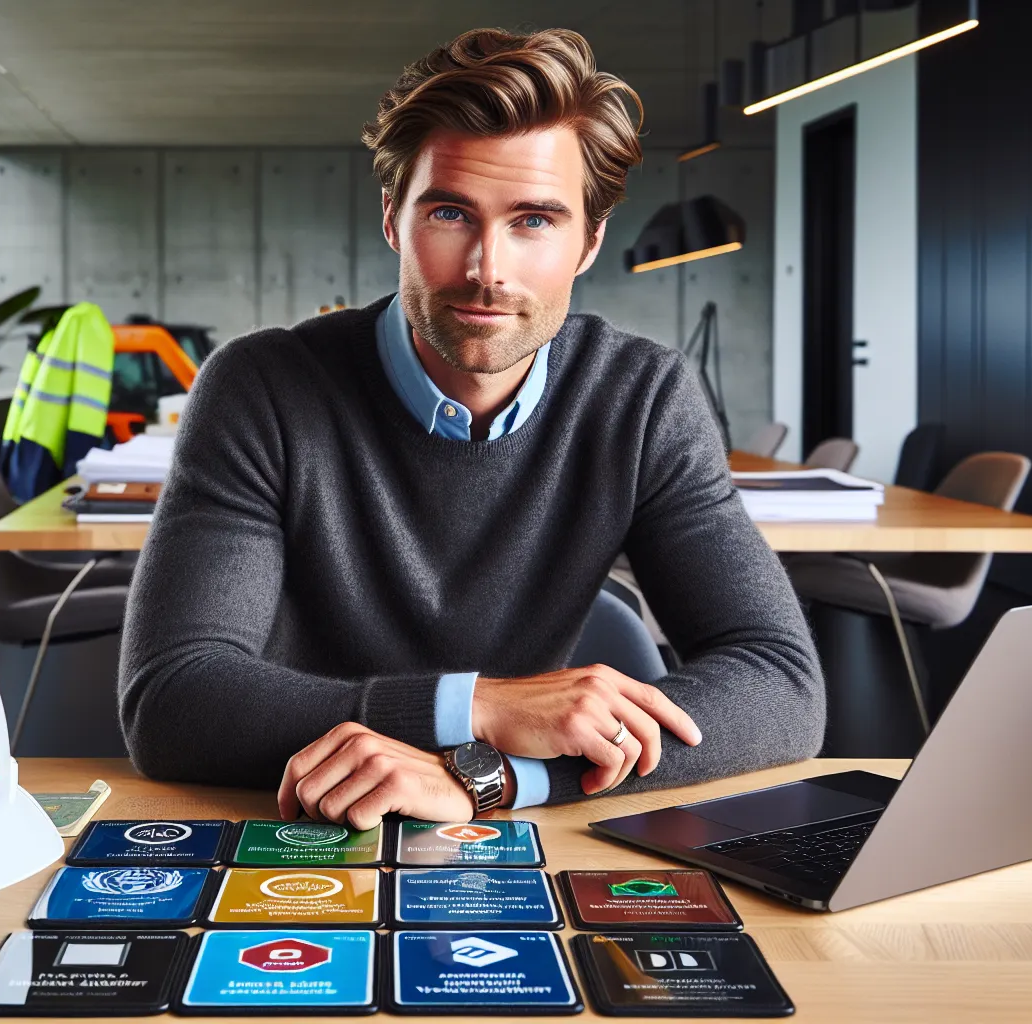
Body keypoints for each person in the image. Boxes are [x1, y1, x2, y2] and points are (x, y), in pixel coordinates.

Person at [118, 27, 824, 827]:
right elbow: (174, 698)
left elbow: (779, 684)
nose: (488, 268)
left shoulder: (644, 396)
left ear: (589, 240)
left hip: (507, 832)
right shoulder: (261, 388)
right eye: (451, 212)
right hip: (289, 817)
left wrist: (488, 779)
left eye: (535, 221)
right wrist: (475, 710)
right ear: (394, 219)